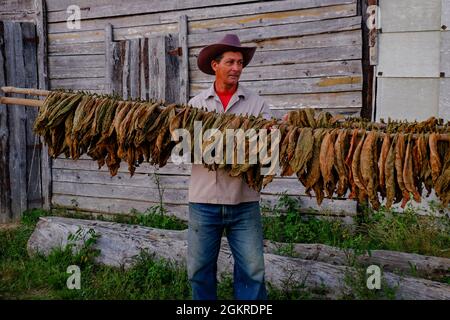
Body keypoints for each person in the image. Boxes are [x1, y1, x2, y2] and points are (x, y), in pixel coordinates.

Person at [187, 34, 272, 300]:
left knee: (252, 269)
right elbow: (186, 150)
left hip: (243, 201)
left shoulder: (257, 104)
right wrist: (239, 143)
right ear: (215, 65)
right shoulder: (196, 105)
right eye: (231, 62)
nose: (237, 68)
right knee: (199, 269)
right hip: (203, 201)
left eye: (240, 63)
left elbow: (268, 151)